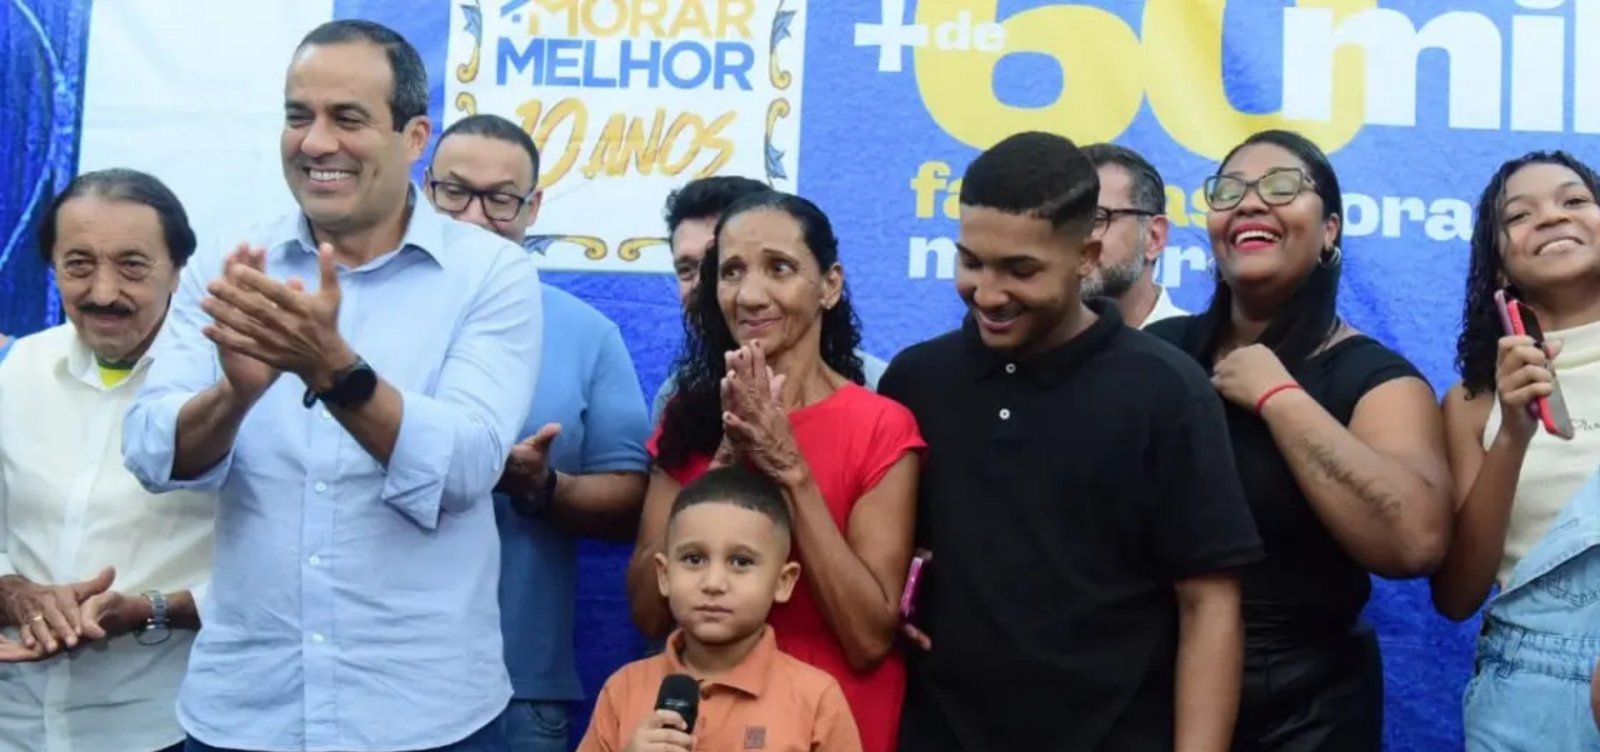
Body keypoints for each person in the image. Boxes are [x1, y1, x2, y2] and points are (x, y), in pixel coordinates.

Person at [121, 20, 542, 752]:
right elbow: (153, 451)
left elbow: (469, 468)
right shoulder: (236, 258)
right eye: (297, 116)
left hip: (424, 716)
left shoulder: (491, 274)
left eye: (347, 118)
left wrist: (333, 372)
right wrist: (235, 396)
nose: (315, 142)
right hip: (247, 709)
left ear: (415, 139)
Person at [884, 130, 1263, 752]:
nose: (989, 293)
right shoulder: (916, 380)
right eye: (971, 262)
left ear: (1087, 255)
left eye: (1021, 270)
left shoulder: (1167, 393)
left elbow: (1210, 605)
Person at [1146, 129, 1454, 751]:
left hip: (1304, 711)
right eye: (1229, 190)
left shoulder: (1375, 378)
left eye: (1282, 187)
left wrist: (1280, 399)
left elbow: (1415, 541)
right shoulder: (1157, 355)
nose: (1251, 203)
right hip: (1147, 685)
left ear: (1330, 230)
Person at [627, 191, 923, 752]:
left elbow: (867, 638)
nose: (751, 294)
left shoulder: (882, 426)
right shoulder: (689, 418)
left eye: (779, 268)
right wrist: (722, 470)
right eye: (732, 271)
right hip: (701, 730)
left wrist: (788, 468)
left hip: (837, 727)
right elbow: (647, 610)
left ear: (830, 284)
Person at [426, 112, 651, 751]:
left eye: (500, 199)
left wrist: (542, 486)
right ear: (424, 191)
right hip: (369, 676)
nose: (473, 216)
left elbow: (632, 500)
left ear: (533, 208)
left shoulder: (586, 333)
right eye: (454, 192)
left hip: (517, 686)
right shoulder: (360, 315)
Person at [0, 169, 213, 752]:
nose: (102, 291)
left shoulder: (230, 392)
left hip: (164, 730)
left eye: (132, 265)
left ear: (178, 268)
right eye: (78, 264)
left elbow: (281, 570)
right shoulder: (14, 372)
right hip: (13, 724)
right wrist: (12, 591)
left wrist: (150, 611)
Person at [1430, 150, 1600, 751]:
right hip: (1528, 696)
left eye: (1574, 200)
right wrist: (1513, 434)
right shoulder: (1473, 403)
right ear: (1499, 268)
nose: (1552, 217)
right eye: (1519, 216)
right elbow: (1457, 596)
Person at [579, 465, 862, 752]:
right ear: (664, 575)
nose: (713, 583)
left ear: (783, 581)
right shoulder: (624, 690)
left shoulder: (814, 699)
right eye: (694, 558)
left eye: (740, 562)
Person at [651, 177, 890, 422]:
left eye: (777, 267)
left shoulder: (879, 390)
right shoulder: (678, 401)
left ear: (829, 283)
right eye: (687, 269)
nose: (705, 285)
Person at [1081, 143, 1188, 328]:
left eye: (1097, 219)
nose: (1076, 238)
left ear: (1154, 237)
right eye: (1062, 223)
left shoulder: (1200, 352)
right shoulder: (1025, 350)